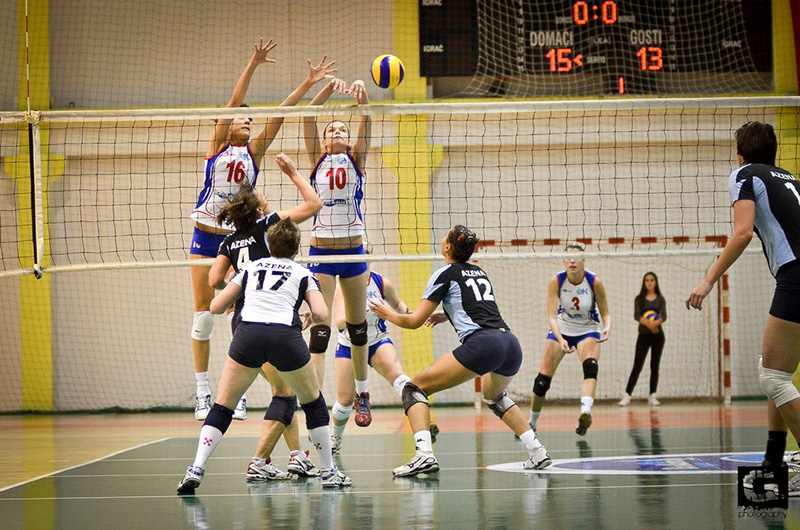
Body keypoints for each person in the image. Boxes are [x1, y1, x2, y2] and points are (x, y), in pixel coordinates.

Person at [188, 39, 336, 421]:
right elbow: (234, 102)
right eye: (242, 119)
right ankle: (202, 391)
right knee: (204, 314)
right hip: (206, 235)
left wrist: (307, 84)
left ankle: (235, 392)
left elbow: (280, 114)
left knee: (243, 311)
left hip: (240, 238)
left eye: (250, 120)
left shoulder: (253, 153)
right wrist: (252, 64)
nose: (247, 121)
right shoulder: (217, 146)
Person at [177, 218, 351, 494]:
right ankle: (329, 472)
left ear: (269, 245)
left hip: (248, 336)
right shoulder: (303, 273)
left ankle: (196, 468)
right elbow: (322, 314)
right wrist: (307, 315)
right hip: (285, 338)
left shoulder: (250, 268)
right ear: (297, 249)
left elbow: (216, 306)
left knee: (222, 408)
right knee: (313, 403)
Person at [369, 225, 551, 476]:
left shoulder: (444, 273)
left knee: (414, 388)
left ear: (447, 246)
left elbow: (414, 322)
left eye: (445, 235)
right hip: (509, 343)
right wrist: (447, 314)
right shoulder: (479, 271)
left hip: (484, 344)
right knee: (494, 396)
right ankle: (538, 452)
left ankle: (424, 455)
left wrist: (386, 313)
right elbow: (478, 307)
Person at [686, 121, 800, 496]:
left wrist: (708, 280)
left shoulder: (745, 174)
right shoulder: (792, 179)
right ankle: (773, 460)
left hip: (796, 275)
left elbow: (743, 231)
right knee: (773, 370)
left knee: (774, 378)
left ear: (740, 153)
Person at [208, 155, 322, 480]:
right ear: (258, 209)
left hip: (243, 321)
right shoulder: (268, 225)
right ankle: (259, 461)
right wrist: (292, 172)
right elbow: (314, 204)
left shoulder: (229, 240)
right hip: (270, 320)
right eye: (263, 198)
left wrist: (237, 284)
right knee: (285, 393)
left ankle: (297, 456)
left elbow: (214, 280)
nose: (267, 200)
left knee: (283, 390)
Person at [302, 77, 373, 426]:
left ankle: (362, 394)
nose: (338, 133)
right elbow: (307, 115)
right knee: (321, 329)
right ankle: (314, 401)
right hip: (322, 253)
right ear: (324, 140)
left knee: (358, 329)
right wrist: (328, 88)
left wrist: (363, 99)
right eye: (332, 130)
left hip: (353, 252)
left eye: (343, 129)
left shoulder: (356, 159)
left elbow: (367, 122)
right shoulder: (317, 160)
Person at [528, 242, 612, 437]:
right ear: (563, 261)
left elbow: (606, 313)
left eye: (577, 258)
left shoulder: (594, 281)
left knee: (590, 366)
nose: (572, 261)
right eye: (568, 258)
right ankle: (531, 423)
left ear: (584, 260)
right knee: (542, 381)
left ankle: (585, 413)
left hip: (588, 328)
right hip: (562, 327)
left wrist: (607, 327)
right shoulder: (556, 281)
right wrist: (560, 338)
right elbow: (551, 316)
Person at [329, 262, 414, 453]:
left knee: (399, 376)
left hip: (378, 341)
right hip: (348, 345)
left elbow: (401, 309)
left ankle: (422, 418)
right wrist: (358, 314)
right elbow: (339, 323)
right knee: (344, 402)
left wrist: (417, 315)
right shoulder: (342, 285)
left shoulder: (382, 283)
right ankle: (335, 438)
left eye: (366, 254)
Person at [619, 272, 667, 407]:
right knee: (637, 365)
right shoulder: (639, 299)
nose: (649, 283)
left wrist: (655, 324)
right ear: (644, 282)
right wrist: (650, 325)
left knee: (654, 366)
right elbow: (637, 315)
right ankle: (627, 395)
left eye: (652, 280)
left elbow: (664, 316)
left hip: (658, 336)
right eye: (647, 280)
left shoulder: (660, 299)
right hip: (643, 336)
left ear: (656, 282)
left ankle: (653, 395)